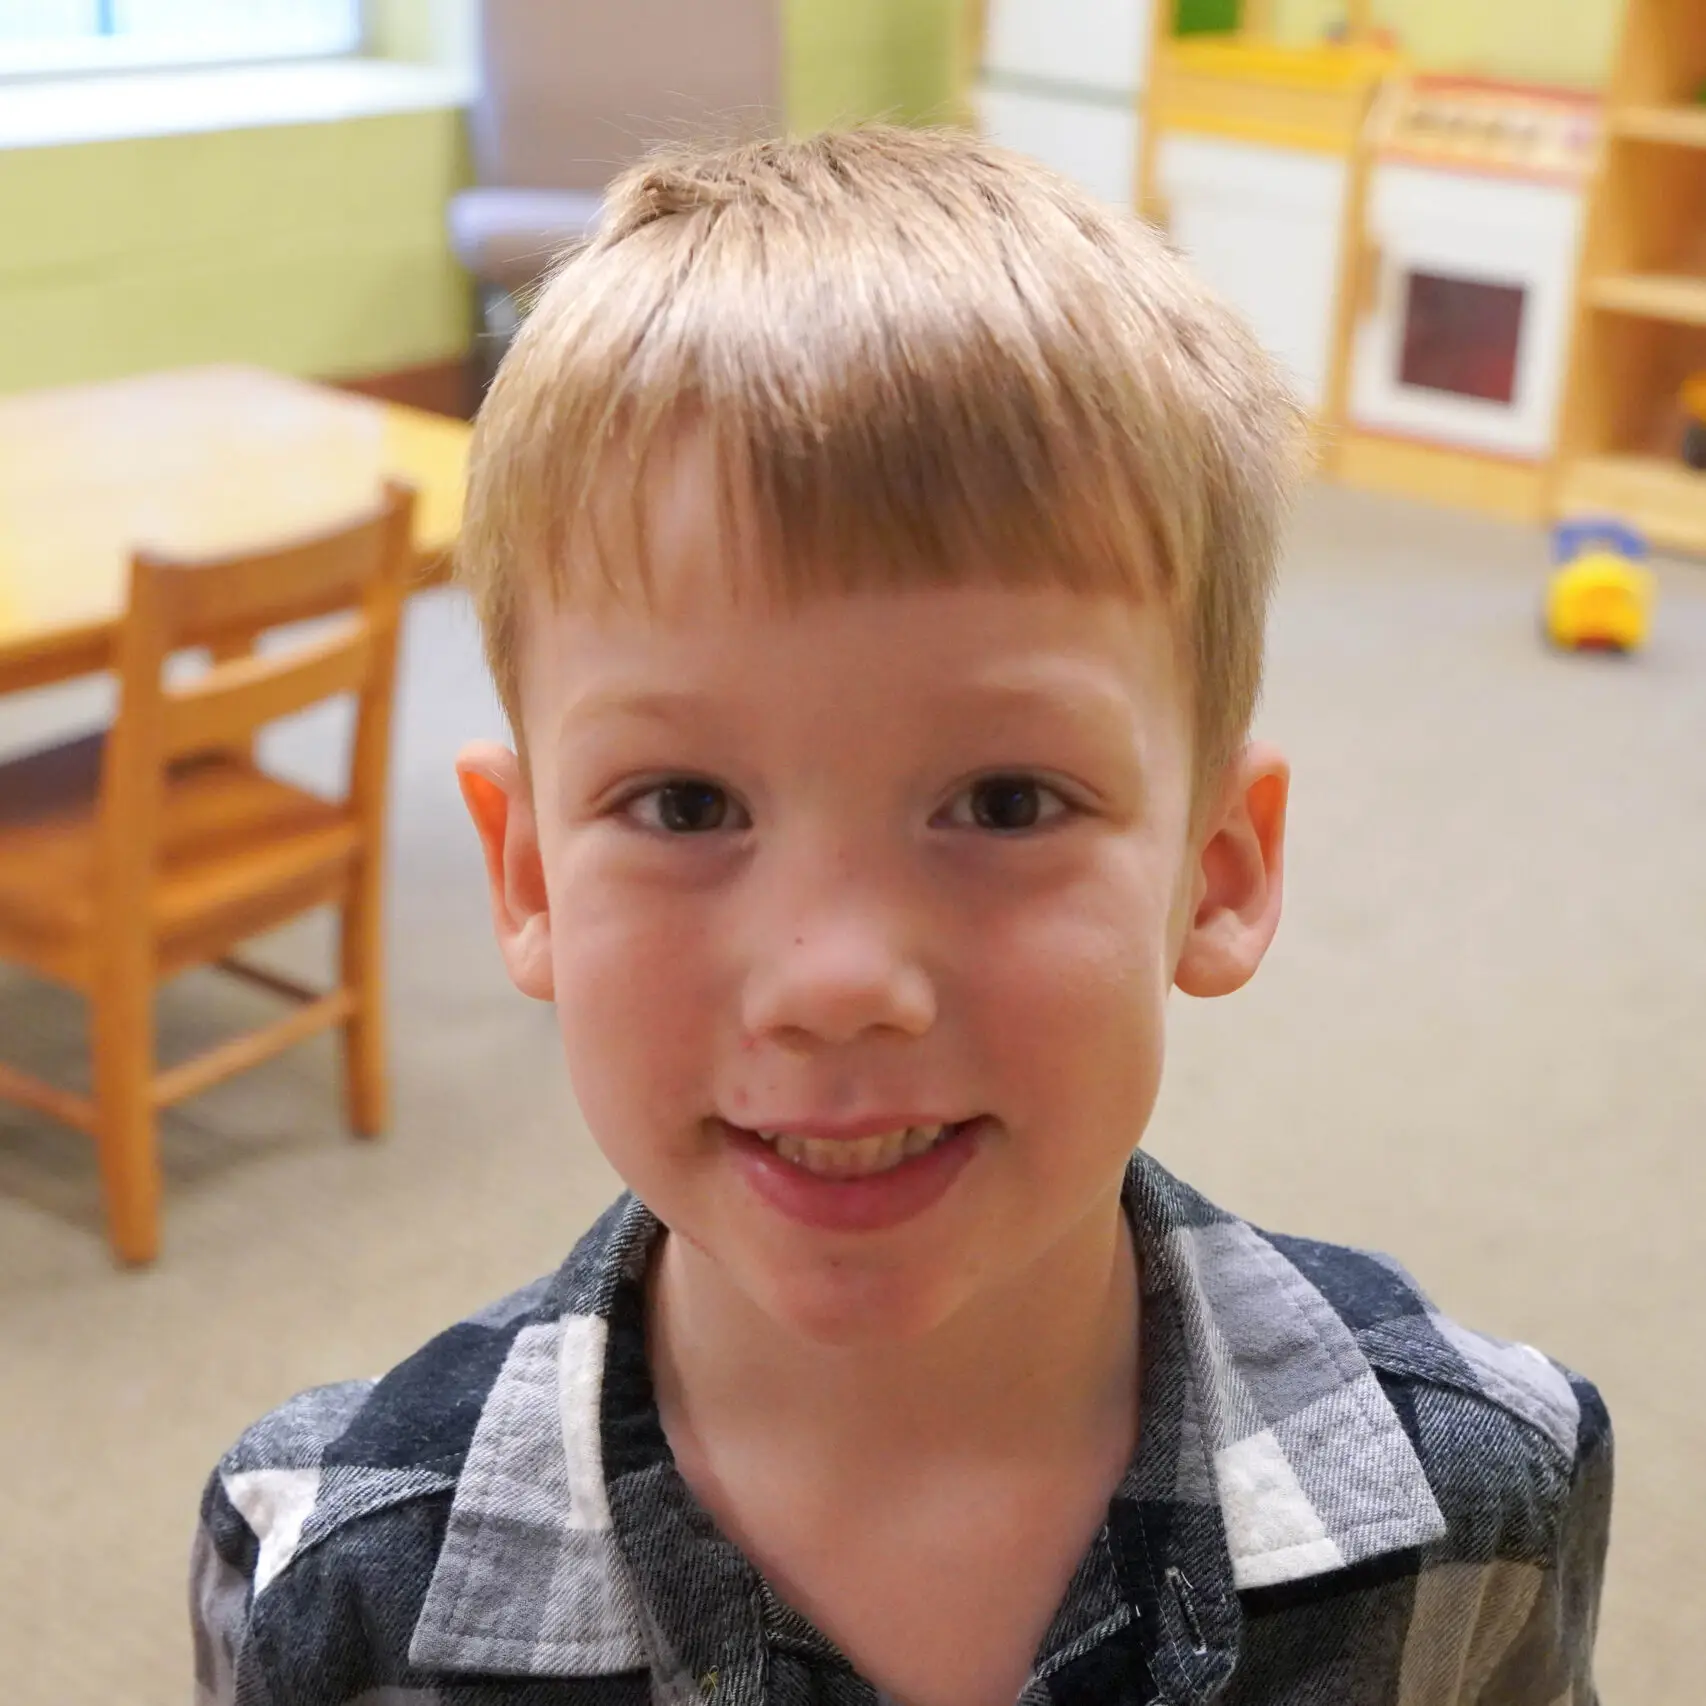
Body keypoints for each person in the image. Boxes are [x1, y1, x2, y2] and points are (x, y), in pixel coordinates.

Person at [190, 126, 1610, 1706]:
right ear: (527, 877)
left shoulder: (1483, 1489)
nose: (839, 980)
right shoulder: (336, 1582)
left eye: (1003, 803)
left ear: (1216, 871)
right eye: (684, 804)